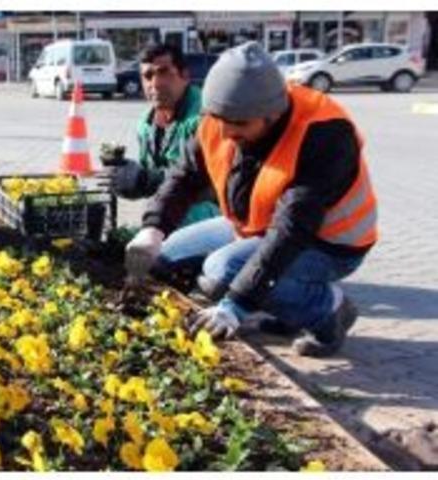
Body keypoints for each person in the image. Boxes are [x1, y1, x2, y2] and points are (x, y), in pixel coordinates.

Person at [124, 42, 378, 357]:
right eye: (220, 119)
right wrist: (154, 228)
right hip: (255, 227)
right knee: (166, 257)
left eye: (240, 124)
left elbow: (291, 230)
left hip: (328, 243)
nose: (228, 132)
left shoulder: (324, 134)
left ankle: (330, 311)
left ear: (273, 114)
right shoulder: (220, 118)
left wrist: (235, 305)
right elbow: (183, 178)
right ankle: (286, 310)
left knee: (222, 273)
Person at [110, 44, 218, 226]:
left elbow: (214, 185)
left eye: (164, 72)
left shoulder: (206, 118)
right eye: (148, 76)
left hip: (214, 217)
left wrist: (152, 181)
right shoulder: (145, 125)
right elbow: (150, 183)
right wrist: (131, 180)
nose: (155, 84)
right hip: (167, 213)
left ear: (185, 76)